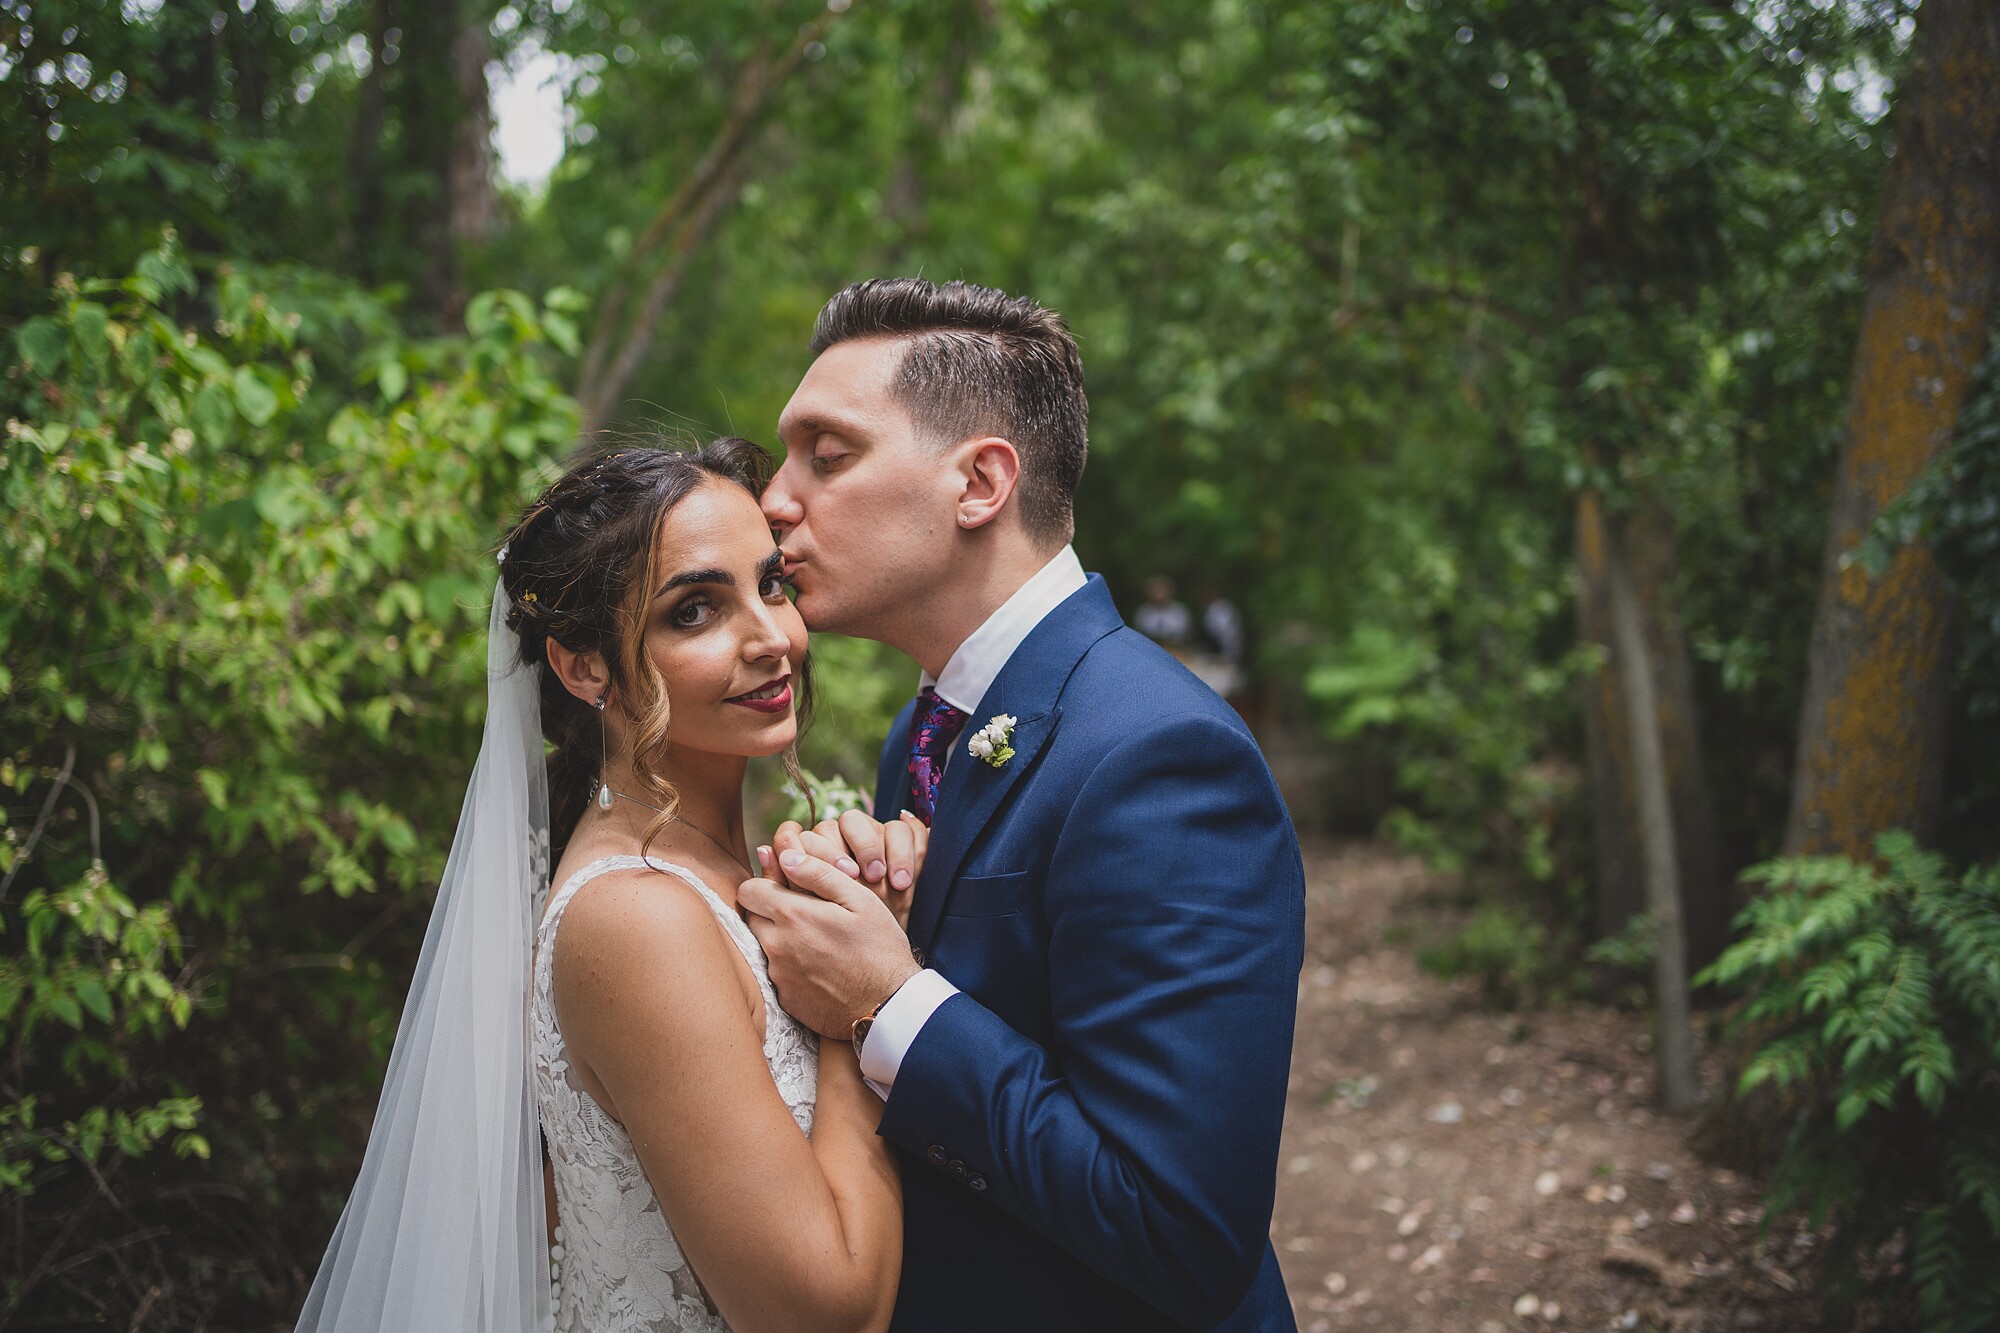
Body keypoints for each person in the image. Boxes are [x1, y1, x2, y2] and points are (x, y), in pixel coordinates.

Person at [740, 278, 1306, 1332]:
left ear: (979, 482)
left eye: (827, 453)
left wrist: (886, 1000)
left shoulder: (1160, 755)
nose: (775, 498)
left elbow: (1181, 1233)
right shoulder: (923, 736)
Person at [298, 441, 915, 1333]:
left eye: (772, 584)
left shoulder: (717, 870)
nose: (773, 636)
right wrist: (861, 1002)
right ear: (583, 666)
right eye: (696, 609)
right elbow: (823, 1316)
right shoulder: (636, 918)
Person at [1134, 574, 1194, 646]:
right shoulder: (1143, 612)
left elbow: (1186, 633)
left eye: (1162, 590)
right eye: (1156, 590)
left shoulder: (1179, 610)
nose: (1159, 594)